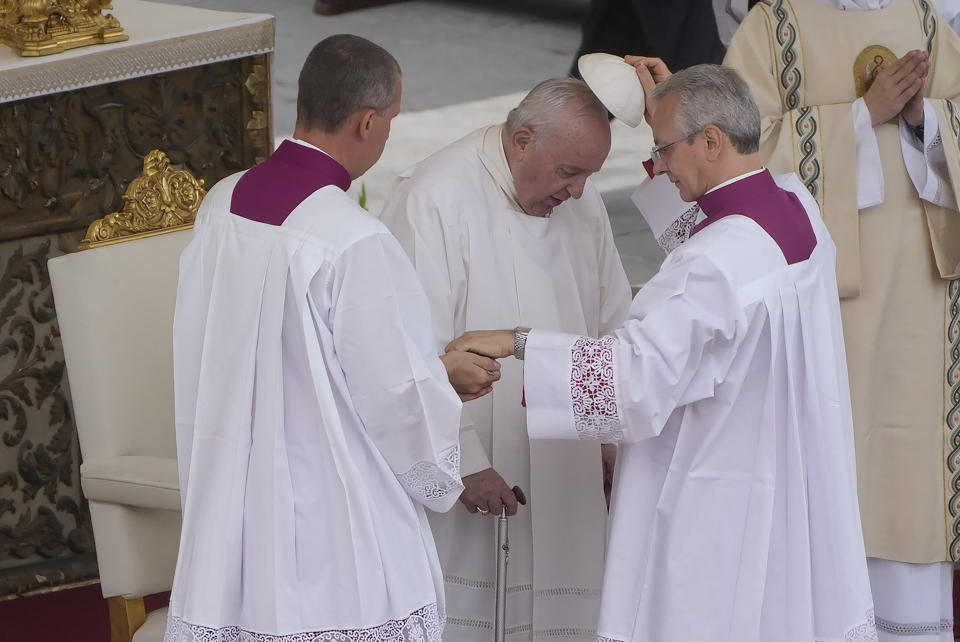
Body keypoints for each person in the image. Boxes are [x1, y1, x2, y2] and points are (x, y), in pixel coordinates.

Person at [447, 64, 876, 642]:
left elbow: (631, 383)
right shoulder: (794, 208)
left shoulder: (712, 265)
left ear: (712, 140)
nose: (659, 164)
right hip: (780, 468)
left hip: (714, 486)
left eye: (664, 148)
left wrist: (520, 341)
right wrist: (673, 110)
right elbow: (701, 230)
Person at [164, 35, 497, 642]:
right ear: (367, 122)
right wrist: (442, 376)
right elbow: (395, 395)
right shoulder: (351, 238)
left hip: (233, 493)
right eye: (392, 120)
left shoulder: (221, 204)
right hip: (328, 510)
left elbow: (200, 343)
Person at [723, 2, 960, 639]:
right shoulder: (773, 23)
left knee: (907, 458)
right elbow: (731, 149)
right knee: (833, 451)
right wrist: (862, 116)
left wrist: (925, 119)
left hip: (920, 285)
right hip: (820, 287)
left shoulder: (922, 16)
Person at [379, 78, 632, 640]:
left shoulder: (582, 207)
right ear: (521, 141)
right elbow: (408, 348)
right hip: (477, 473)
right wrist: (462, 462)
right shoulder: (435, 196)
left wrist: (609, 437)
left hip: (568, 462)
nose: (580, 191)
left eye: (590, 174)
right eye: (571, 172)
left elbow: (614, 320)